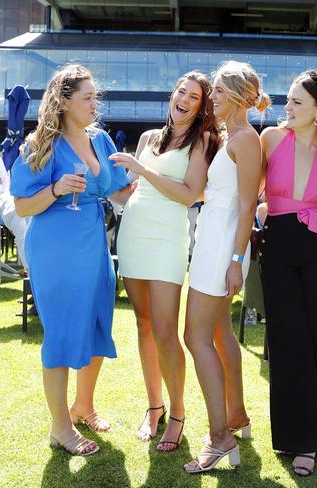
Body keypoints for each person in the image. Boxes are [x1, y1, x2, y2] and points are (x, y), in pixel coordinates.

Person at [11, 64, 131, 457]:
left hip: (94, 245)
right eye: (87, 98)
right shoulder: (39, 146)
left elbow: (122, 192)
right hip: (57, 249)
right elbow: (23, 205)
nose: (95, 104)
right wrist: (57, 188)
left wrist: (158, 175)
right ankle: (60, 427)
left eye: (96, 96)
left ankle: (84, 405)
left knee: (97, 322)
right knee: (62, 333)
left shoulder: (102, 141)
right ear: (63, 102)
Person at [109, 71, 221, 451]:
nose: (184, 99)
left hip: (167, 240)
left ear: (201, 106)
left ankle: (177, 412)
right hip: (134, 235)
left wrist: (142, 170)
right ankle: (153, 406)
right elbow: (131, 193)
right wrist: (105, 189)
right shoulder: (148, 138)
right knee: (142, 325)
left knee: (164, 331)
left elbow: (190, 194)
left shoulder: (203, 141)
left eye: (194, 96)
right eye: (181, 92)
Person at [259, 70, 317, 477]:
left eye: (296, 102)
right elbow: (250, 192)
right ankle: (292, 434)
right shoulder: (271, 139)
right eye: (287, 99)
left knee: (315, 338)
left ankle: (311, 439)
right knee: (284, 337)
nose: (286, 107)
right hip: (276, 242)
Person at [183, 60, 269, 474]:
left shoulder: (246, 140)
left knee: (194, 336)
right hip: (213, 239)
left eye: (216, 91)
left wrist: (236, 261)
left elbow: (248, 205)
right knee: (217, 334)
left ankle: (220, 439)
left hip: (222, 245)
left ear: (236, 96)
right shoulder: (229, 136)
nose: (210, 98)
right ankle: (237, 418)